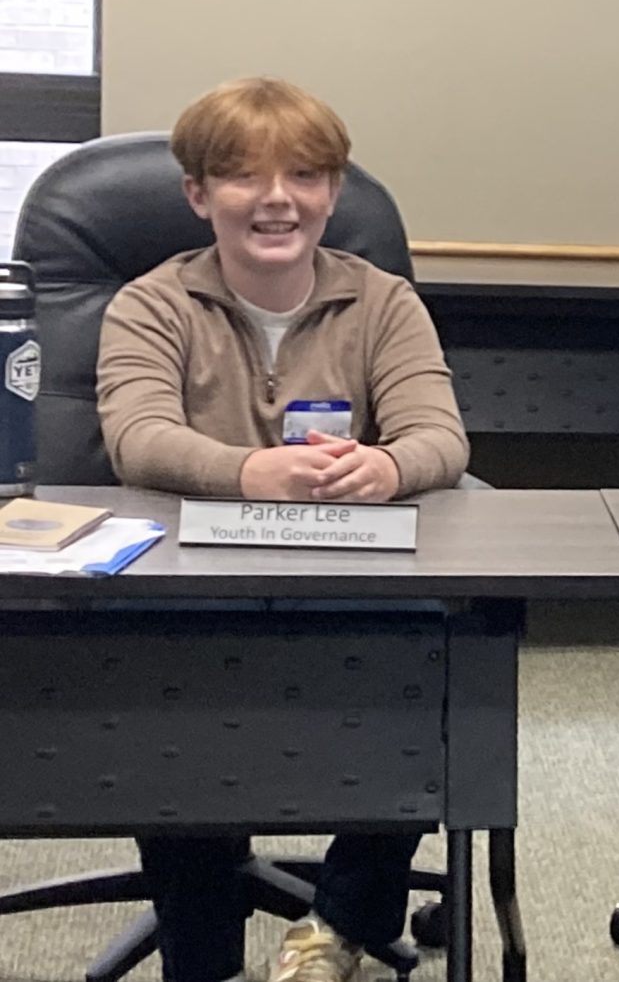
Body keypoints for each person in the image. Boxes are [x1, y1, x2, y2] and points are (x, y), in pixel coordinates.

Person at [95, 77, 470, 982]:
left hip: (353, 577)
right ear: (198, 195)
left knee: (437, 672)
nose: (278, 200)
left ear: (333, 193)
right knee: (178, 703)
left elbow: (440, 436)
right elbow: (136, 435)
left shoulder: (382, 301)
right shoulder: (150, 303)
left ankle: (338, 927)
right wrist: (245, 472)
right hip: (191, 589)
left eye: (305, 175)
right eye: (245, 178)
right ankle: (202, 953)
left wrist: (388, 465)